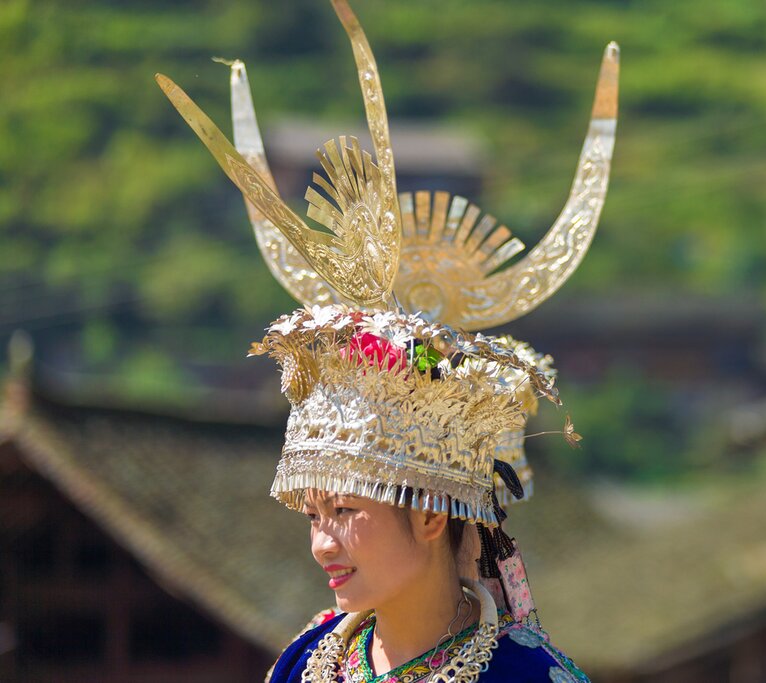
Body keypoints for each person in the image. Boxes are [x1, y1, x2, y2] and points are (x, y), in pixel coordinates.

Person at [156, 1, 618, 680]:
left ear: (431, 516)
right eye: (314, 513)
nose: (321, 543)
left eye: (344, 509)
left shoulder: (527, 676)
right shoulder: (302, 665)